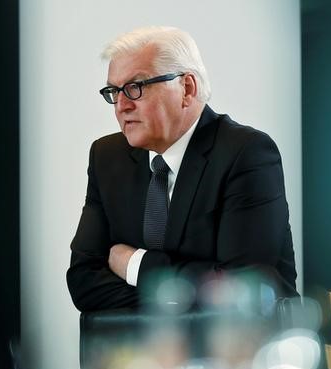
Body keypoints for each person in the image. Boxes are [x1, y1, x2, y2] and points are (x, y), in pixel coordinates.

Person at [67, 26, 297, 312]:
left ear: (186, 88)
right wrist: (182, 294)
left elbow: (241, 290)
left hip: (234, 351)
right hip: (134, 354)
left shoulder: (246, 153)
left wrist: (135, 264)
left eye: (135, 87)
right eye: (114, 91)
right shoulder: (107, 156)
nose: (121, 106)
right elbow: (83, 282)